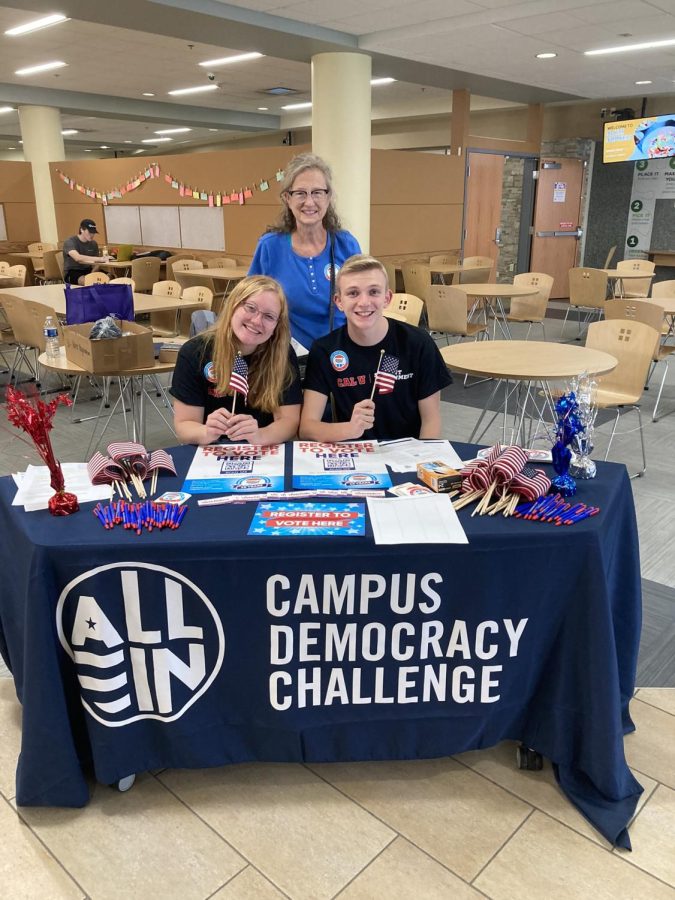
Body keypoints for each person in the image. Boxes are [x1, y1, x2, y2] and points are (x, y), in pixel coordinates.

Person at [300, 255, 452, 442]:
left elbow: (431, 421)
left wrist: (421, 465)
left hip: (409, 454)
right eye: (353, 293)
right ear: (339, 301)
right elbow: (307, 428)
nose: (364, 302)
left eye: (373, 292)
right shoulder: (324, 350)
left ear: (387, 298)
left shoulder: (418, 343)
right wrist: (349, 429)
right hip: (354, 456)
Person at [248, 153, 361, 354]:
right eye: (300, 193)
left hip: (341, 353)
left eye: (317, 192)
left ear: (328, 197)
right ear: (287, 198)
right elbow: (249, 304)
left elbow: (361, 302)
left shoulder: (347, 244)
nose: (309, 202)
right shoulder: (270, 247)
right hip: (285, 357)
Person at [171, 275, 302, 446]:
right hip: (211, 451)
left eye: (269, 316)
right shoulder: (194, 352)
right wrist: (207, 431)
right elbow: (184, 426)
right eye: (250, 308)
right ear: (233, 305)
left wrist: (259, 435)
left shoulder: (282, 353)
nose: (256, 321)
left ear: (277, 326)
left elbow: (289, 422)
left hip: (265, 449)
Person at [62, 219, 110, 285]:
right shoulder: (70, 242)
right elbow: (77, 257)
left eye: (93, 233)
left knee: (111, 277)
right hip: (73, 271)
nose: (92, 235)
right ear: (81, 230)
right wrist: (100, 259)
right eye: (89, 232)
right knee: (86, 281)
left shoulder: (93, 244)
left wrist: (93, 272)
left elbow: (97, 264)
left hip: (89, 270)